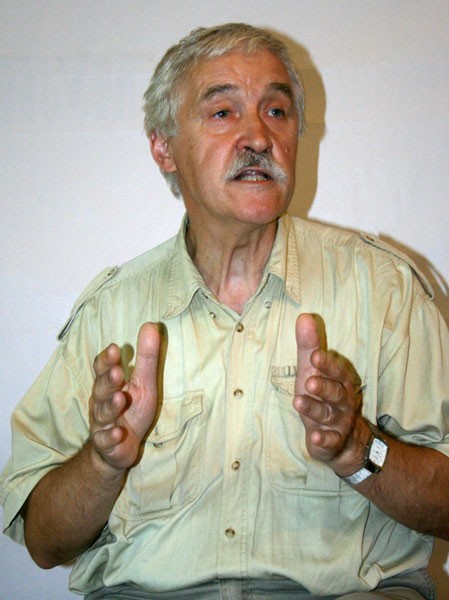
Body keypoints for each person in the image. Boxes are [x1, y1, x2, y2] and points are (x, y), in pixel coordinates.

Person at [1, 23, 449, 600]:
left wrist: (358, 449)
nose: (258, 136)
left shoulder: (383, 290)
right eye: (222, 112)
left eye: (277, 111)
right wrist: (103, 463)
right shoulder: (110, 312)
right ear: (164, 148)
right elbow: (44, 543)